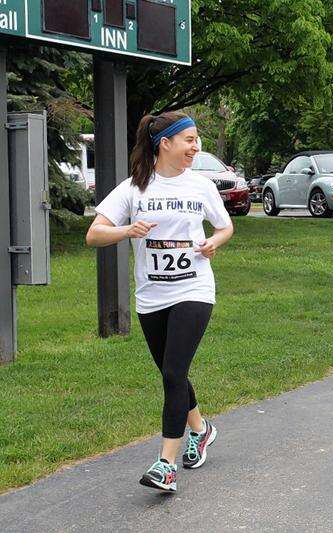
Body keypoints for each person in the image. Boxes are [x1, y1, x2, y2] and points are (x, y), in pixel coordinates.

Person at [86, 112, 234, 492]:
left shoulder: (200, 186)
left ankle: (165, 465)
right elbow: (94, 234)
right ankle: (200, 429)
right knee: (174, 374)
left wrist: (213, 243)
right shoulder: (134, 189)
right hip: (151, 297)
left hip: (194, 289)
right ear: (164, 143)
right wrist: (126, 230)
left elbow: (225, 226)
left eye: (197, 139)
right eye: (189, 139)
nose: (196, 147)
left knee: (172, 373)